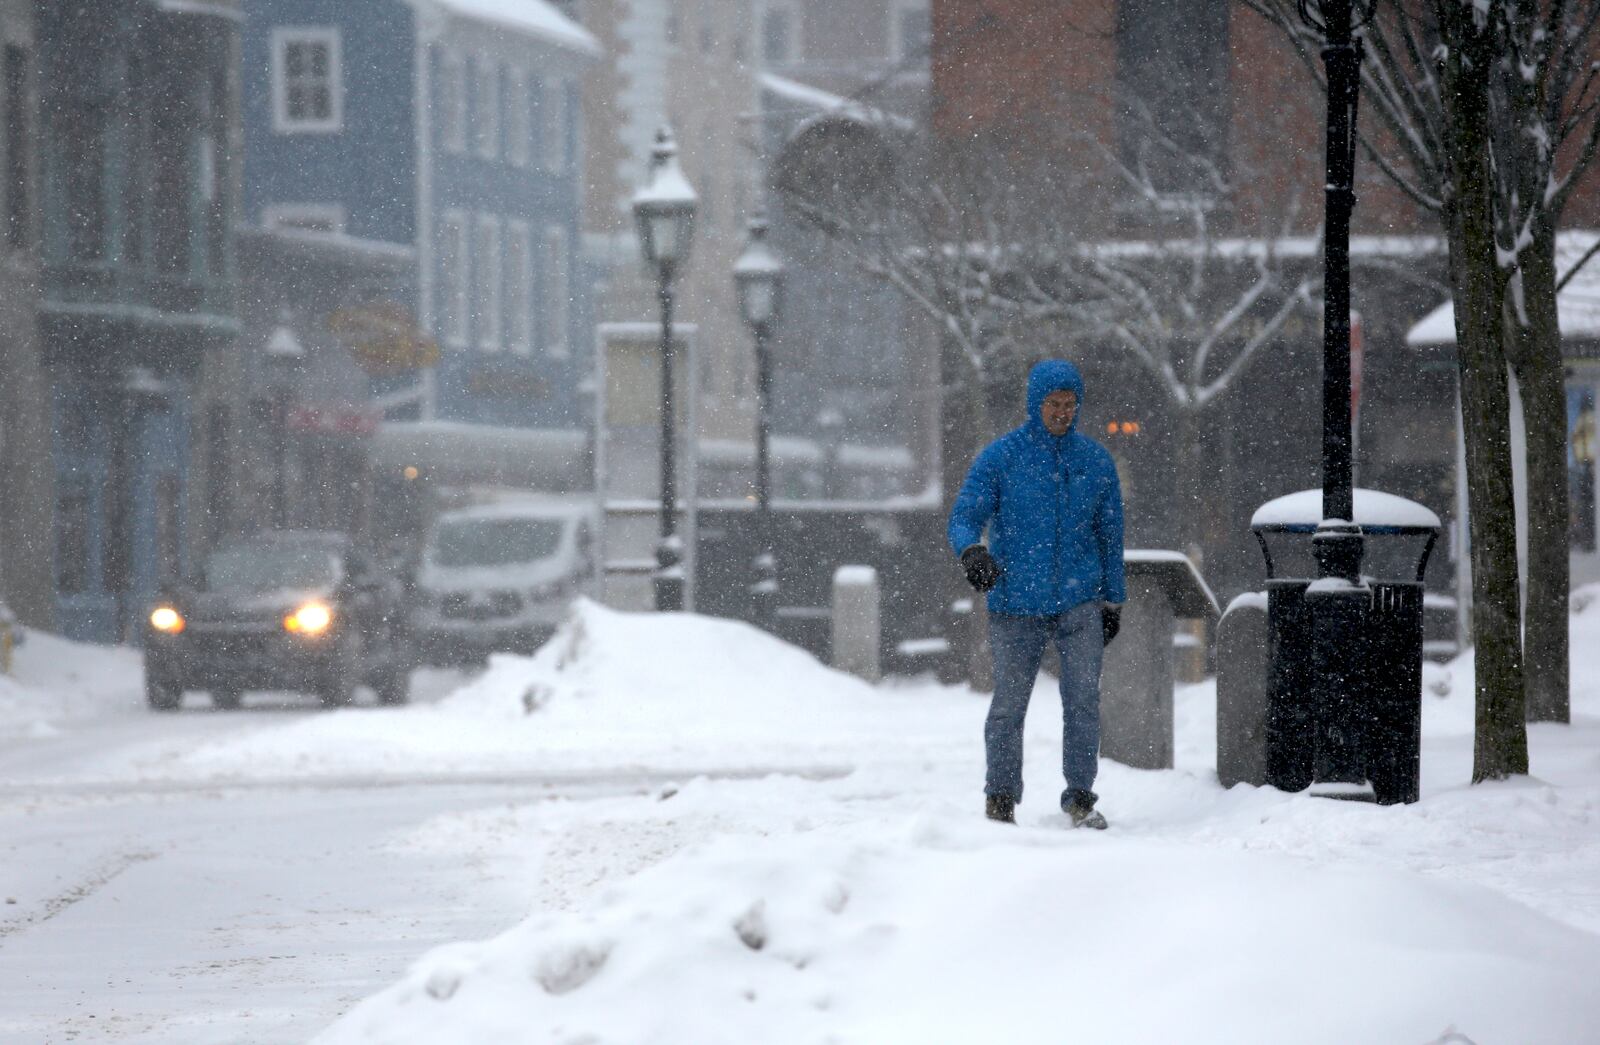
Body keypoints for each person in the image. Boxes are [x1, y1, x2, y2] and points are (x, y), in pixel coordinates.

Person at [947, 359, 1126, 828]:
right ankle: (1000, 797)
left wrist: (1113, 598)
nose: (1063, 413)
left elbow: (1111, 535)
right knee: (1009, 703)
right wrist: (971, 551)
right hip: (1015, 602)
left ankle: (1081, 796)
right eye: (1054, 404)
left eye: (1070, 405)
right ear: (1035, 403)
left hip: (1080, 601)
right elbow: (966, 513)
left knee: (1084, 700)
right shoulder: (1002, 458)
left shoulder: (1095, 463)